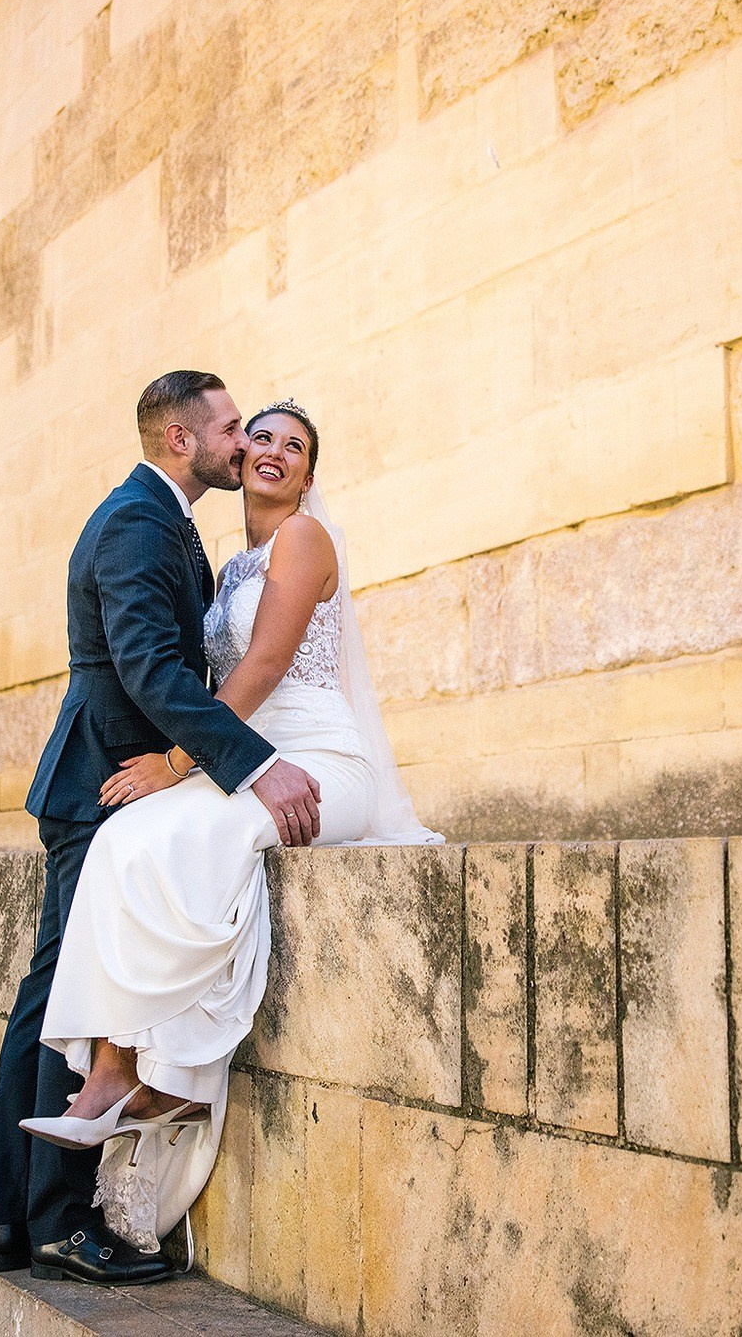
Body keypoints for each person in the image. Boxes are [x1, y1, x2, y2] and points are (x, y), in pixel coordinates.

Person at [22, 395, 439, 1261]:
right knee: (123, 842)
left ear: (308, 475)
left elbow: (265, 664)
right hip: (250, 758)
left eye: (295, 446)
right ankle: (112, 1069)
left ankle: (154, 1076)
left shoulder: (303, 541)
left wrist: (176, 766)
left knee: (181, 836)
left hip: (317, 764)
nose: (275, 452)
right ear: (238, 455)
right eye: (261, 438)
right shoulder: (235, 561)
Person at [0, 371, 325, 1286]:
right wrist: (243, 761)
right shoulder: (137, 522)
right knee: (67, 998)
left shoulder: (167, 519)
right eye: (229, 427)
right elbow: (150, 672)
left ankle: (10, 1218)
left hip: (127, 784)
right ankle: (53, 1219)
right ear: (181, 439)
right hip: (109, 786)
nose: (243, 442)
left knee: (53, 989)